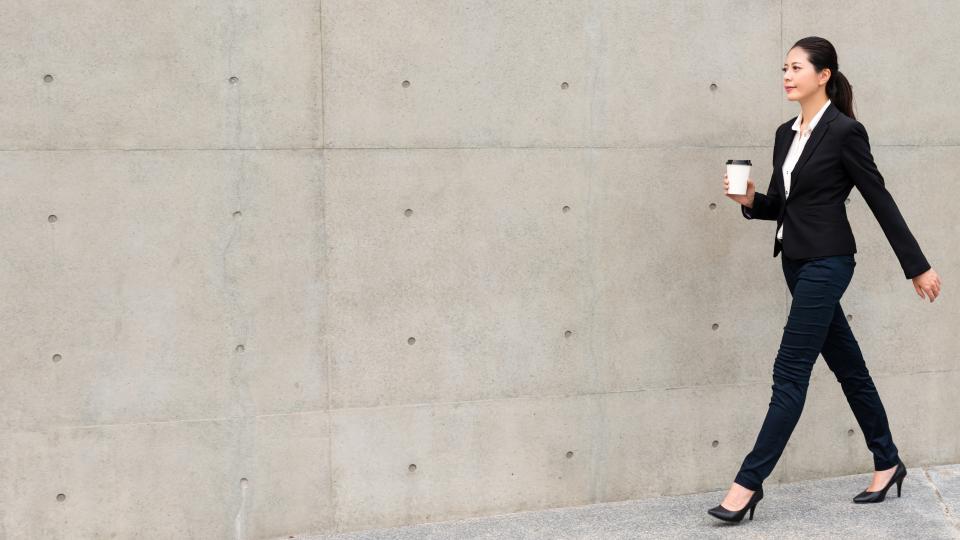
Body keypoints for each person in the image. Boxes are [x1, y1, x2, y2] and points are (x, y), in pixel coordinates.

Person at [709, 36, 942, 524]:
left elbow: (879, 198)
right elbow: (782, 204)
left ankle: (747, 485)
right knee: (848, 364)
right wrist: (752, 201)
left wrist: (916, 265)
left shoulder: (845, 131)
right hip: (795, 261)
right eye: (784, 68)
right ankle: (887, 460)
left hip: (830, 261)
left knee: (789, 372)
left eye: (797, 67)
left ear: (824, 75)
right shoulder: (783, 133)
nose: (787, 76)